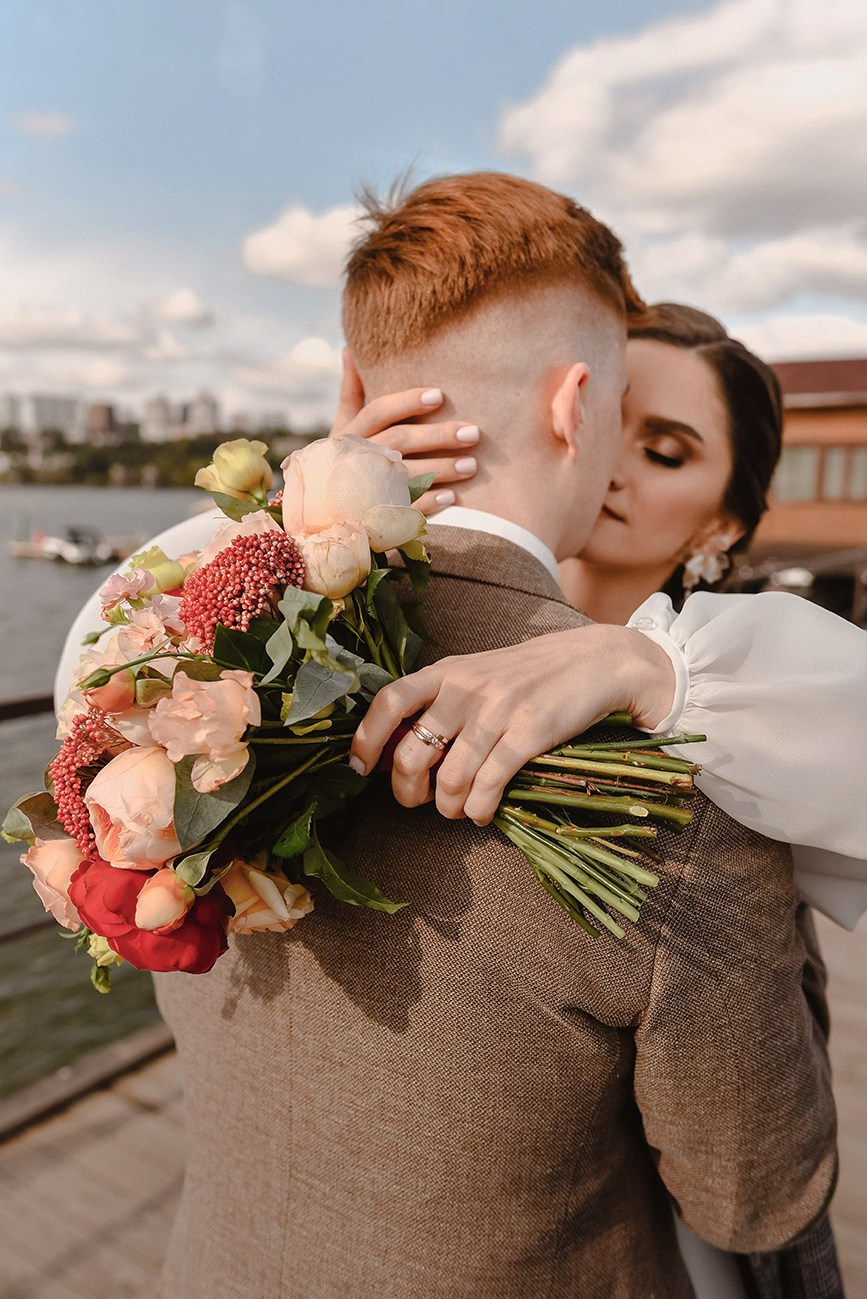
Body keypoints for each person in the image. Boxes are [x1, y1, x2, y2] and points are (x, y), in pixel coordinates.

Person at [137, 173, 835, 1298]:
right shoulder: (676, 786)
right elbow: (757, 1194)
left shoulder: (173, 682)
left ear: (357, 383)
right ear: (577, 410)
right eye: (624, 421)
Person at [341, 305, 867, 933]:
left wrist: (638, 660)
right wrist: (335, 506)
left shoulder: (744, 712)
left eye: (664, 452)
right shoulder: (412, 616)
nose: (610, 465)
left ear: (722, 525)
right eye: (606, 420)